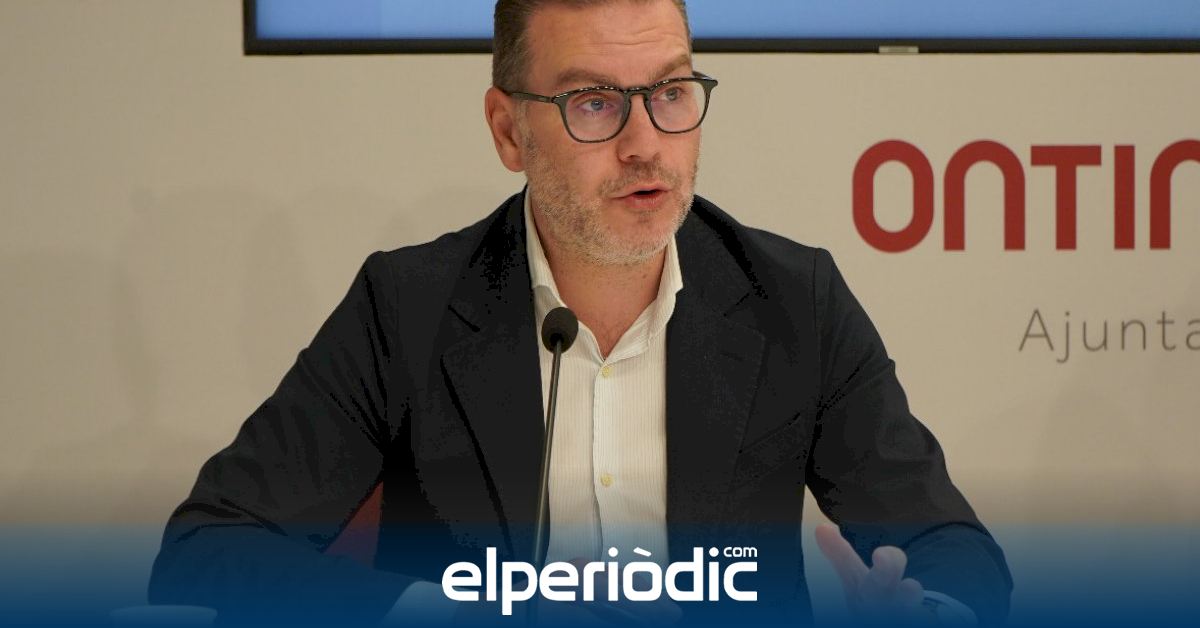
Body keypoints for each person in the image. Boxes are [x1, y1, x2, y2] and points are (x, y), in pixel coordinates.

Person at [149, 0, 1012, 626]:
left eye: (671, 92)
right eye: (593, 102)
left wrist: (926, 607)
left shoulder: (795, 301)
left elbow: (955, 551)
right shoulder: (406, 307)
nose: (645, 143)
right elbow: (210, 552)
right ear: (508, 131)